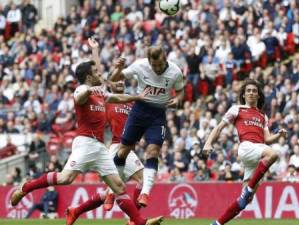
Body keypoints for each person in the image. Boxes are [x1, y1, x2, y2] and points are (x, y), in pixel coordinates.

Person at [10, 38, 163, 225]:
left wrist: (137, 96)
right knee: (66, 178)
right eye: (97, 73)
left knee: (118, 186)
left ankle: (140, 222)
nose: (101, 74)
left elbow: (116, 95)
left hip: (99, 147)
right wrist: (87, 90)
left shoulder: (100, 93)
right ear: (89, 78)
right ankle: (26, 188)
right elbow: (80, 94)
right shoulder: (84, 89)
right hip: (84, 143)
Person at [202, 79, 287, 225]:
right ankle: (248, 189)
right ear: (244, 95)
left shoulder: (263, 116)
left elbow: (267, 139)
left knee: (245, 202)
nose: (251, 93)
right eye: (248, 91)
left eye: (254, 91)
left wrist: (279, 134)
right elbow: (219, 128)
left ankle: (216, 223)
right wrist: (208, 143)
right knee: (273, 154)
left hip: (257, 152)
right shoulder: (237, 109)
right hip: (247, 147)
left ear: (259, 95)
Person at [109, 46, 184, 207]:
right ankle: (112, 191)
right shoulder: (140, 65)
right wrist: (118, 68)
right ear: (149, 61)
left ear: (165, 59)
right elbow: (114, 79)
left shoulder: (175, 71)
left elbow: (180, 91)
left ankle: (145, 193)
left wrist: (178, 100)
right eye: (153, 65)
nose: (157, 68)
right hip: (139, 111)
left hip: (157, 115)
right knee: (122, 152)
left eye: (159, 64)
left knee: (153, 151)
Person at [65, 80, 146, 225]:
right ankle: (134, 220)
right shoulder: (107, 100)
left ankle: (76, 210)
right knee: (135, 182)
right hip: (117, 146)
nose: (120, 82)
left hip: (128, 148)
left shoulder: (130, 103)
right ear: (111, 84)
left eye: (123, 80)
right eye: (117, 80)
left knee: (132, 184)